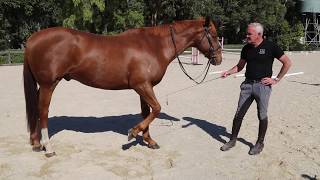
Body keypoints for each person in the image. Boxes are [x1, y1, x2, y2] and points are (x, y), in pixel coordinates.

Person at [220, 23, 291, 155]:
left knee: (262, 115)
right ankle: (232, 140)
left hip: (262, 87)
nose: (246, 36)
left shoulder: (271, 47)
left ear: (259, 34)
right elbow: (240, 66)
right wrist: (228, 72)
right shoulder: (246, 48)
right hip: (247, 86)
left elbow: (287, 62)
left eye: (249, 34)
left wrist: (276, 79)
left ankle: (259, 143)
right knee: (238, 114)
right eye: (246, 33)